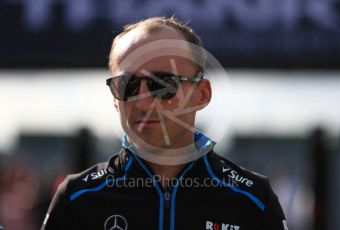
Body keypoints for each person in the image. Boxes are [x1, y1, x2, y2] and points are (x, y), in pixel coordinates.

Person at [42, 16, 288, 230]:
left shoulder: (254, 199)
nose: (142, 102)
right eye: (127, 85)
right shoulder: (76, 197)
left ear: (201, 94)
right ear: (115, 98)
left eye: (163, 83)